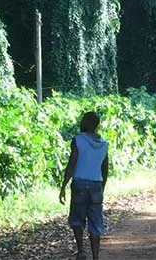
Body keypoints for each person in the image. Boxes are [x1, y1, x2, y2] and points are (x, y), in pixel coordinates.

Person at [59, 111, 109, 260]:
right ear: (96, 125)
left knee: (77, 219)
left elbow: (72, 163)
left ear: (84, 123)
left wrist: (63, 185)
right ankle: (95, 256)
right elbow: (105, 169)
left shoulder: (78, 140)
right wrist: (102, 187)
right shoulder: (104, 144)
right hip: (96, 185)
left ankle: (81, 251)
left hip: (79, 183)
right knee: (96, 222)